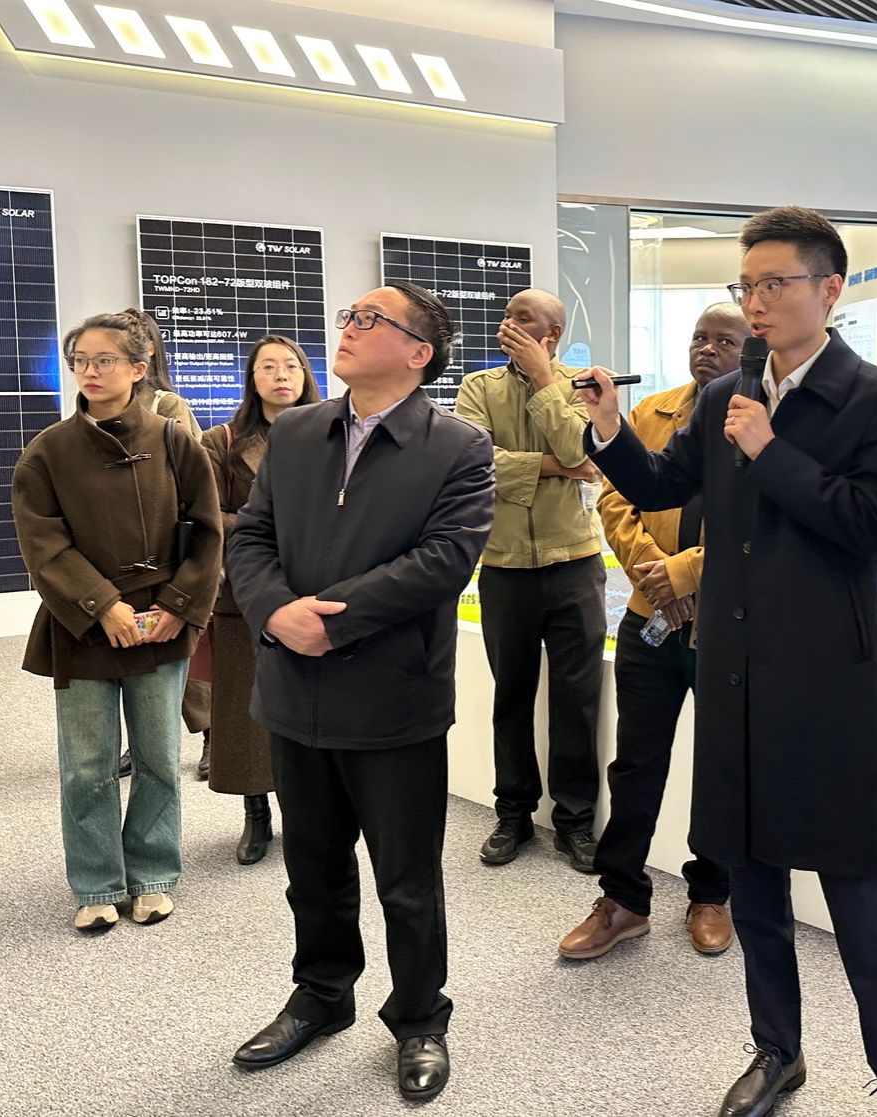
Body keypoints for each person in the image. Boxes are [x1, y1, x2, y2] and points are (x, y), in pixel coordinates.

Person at [578, 207, 877, 1117]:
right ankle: (778, 1050)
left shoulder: (875, 398)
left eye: (776, 282)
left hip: (826, 682)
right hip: (733, 674)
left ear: (830, 288)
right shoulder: (724, 395)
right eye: (747, 285)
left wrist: (769, 450)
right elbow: (662, 484)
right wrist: (610, 429)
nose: (757, 301)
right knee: (756, 884)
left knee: (856, 892)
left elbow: (864, 525)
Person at [226, 283, 493, 1104]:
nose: (349, 327)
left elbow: (444, 559)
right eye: (351, 315)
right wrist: (276, 612)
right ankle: (321, 993)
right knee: (311, 864)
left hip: (391, 695)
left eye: (372, 319)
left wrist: (330, 622)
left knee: (406, 878)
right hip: (293, 688)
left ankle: (419, 1017)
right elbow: (251, 535)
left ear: (419, 352)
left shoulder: (458, 446)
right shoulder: (298, 430)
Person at [11, 310, 221, 932]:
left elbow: (208, 533)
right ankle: (96, 882)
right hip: (81, 625)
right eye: (80, 361)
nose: (90, 371)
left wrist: (176, 608)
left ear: (138, 367)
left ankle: (153, 875)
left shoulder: (175, 441)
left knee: (158, 757)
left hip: (162, 621)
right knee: (86, 765)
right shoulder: (47, 452)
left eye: (105, 360)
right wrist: (103, 605)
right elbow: (43, 545)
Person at [558, 303, 747, 962]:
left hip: (727, 623)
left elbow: (762, 527)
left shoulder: (759, 424)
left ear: (750, 352)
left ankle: (712, 892)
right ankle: (622, 898)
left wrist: (687, 572)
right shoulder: (653, 411)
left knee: (723, 762)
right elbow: (617, 497)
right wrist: (657, 575)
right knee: (636, 761)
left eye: (725, 340)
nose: (707, 348)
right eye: (699, 337)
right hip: (649, 614)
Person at [454, 288, 606, 873]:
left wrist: (544, 379)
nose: (506, 325)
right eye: (506, 315)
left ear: (552, 334)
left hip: (576, 563)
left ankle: (574, 821)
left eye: (523, 318)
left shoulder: (581, 385)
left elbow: (581, 448)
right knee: (511, 696)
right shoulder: (478, 387)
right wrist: (549, 467)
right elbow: (472, 463)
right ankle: (513, 814)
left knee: (577, 699)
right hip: (504, 565)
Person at [199, 334, 321, 864]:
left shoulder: (335, 434)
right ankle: (256, 813)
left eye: (290, 365)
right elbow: (202, 515)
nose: (280, 375)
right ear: (252, 379)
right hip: (244, 593)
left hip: (317, 588)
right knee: (246, 711)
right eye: (267, 367)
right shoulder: (221, 442)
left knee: (312, 705)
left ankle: (307, 812)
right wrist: (268, 529)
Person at [116, 307, 208, 780]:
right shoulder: (96, 407)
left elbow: (193, 475)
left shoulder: (167, 405)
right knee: (135, 649)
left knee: (185, 643)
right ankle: (142, 743)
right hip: (120, 546)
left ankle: (214, 734)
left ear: (148, 350)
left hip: (167, 543)